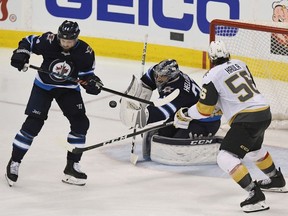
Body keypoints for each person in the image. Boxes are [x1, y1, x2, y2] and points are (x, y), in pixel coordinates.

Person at [174, 40, 287, 213]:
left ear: (211, 58)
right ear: (228, 54)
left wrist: (185, 114)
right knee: (255, 149)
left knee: (225, 157)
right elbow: (239, 94)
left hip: (246, 119)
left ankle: (255, 195)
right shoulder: (241, 64)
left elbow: (203, 110)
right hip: (264, 112)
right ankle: (276, 179)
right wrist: (220, 108)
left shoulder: (211, 76)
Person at [6, 20, 103, 186]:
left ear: (76, 39)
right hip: (43, 87)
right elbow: (28, 41)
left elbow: (87, 76)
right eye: (63, 40)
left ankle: (72, 167)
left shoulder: (85, 52)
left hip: (68, 90)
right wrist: (21, 54)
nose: (65, 44)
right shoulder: (48, 40)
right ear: (58, 36)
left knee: (80, 123)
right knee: (33, 124)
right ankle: (14, 162)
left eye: (69, 41)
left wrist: (92, 83)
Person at [119, 59, 221, 160]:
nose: (158, 78)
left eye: (162, 77)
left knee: (175, 146)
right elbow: (147, 81)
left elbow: (161, 111)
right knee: (160, 134)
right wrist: (134, 100)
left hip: (205, 122)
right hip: (184, 114)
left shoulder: (178, 91)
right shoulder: (159, 72)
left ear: (171, 77)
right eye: (157, 75)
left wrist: (140, 117)